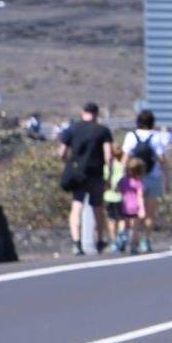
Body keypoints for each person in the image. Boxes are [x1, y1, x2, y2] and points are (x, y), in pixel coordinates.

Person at [58, 102, 113, 255]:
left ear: (82, 112)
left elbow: (62, 152)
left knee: (77, 205)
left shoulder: (72, 129)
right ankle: (99, 240)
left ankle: (77, 242)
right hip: (96, 174)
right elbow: (108, 156)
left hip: (77, 174)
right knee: (98, 207)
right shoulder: (102, 131)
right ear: (97, 113)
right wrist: (109, 173)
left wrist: (68, 164)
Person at [119, 110, 169, 247]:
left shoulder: (131, 136)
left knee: (131, 210)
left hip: (134, 179)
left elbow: (125, 159)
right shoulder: (156, 137)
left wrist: (122, 178)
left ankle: (127, 236)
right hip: (153, 177)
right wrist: (167, 179)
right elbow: (162, 160)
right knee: (149, 212)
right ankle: (146, 240)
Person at [110, 156, 147, 254]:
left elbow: (117, 189)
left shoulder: (123, 180)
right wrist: (142, 209)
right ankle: (133, 246)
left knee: (124, 226)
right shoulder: (138, 183)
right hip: (135, 208)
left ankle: (120, 240)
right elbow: (140, 196)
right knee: (135, 228)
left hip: (124, 206)